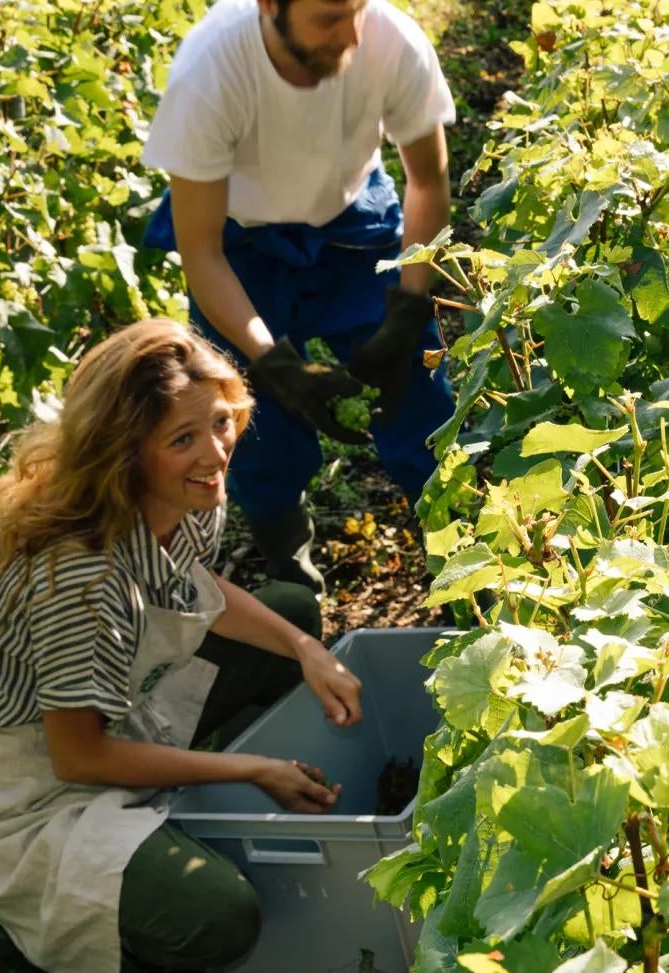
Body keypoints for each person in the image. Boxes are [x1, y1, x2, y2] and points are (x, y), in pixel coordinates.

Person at [0, 320, 365, 973]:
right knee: (220, 918)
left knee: (291, 613)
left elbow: (193, 588)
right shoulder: (77, 578)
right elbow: (79, 757)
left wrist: (308, 649)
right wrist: (252, 768)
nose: (215, 452)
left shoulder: (186, 490)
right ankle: (77, 892)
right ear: (125, 453)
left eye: (222, 422)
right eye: (183, 439)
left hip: (110, 699)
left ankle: (176, 797)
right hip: (32, 779)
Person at [141, 0, 459, 594]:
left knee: (416, 390)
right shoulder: (211, 70)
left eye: (355, 12)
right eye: (327, 19)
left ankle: (461, 558)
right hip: (242, 244)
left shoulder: (392, 43)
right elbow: (203, 252)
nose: (349, 35)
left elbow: (428, 181)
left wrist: (410, 305)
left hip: (351, 223)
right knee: (251, 419)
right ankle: (291, 570)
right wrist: (270, 359)